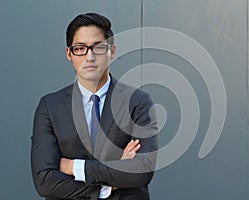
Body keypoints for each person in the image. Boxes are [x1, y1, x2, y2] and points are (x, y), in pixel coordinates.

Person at [31, 13, 158, 200]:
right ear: (69, 54)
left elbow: (142, 172)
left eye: (98, 47)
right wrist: (109, 185)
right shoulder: (49, 106)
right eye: (80, 48)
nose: (89, 57)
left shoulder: (138, 102)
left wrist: (74, 167)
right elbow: (44, 181)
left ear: (112, 51)